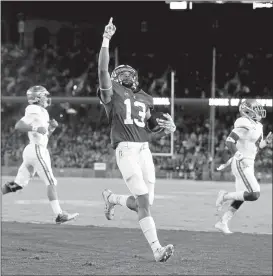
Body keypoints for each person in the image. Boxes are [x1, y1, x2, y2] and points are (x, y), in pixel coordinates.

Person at [98, 18, 176, 262]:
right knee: (143, 201)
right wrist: (106, 39)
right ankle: (157, 249)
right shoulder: (112, 94)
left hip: (144, 151)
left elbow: (151, 126)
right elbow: (102, 71)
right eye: (129, 76)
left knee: (146, 203)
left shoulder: (145, 97)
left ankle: (112, 198)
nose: (133, 78)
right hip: (126, 151)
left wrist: (168, 128)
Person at [1, 85, 79, 224]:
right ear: (37, 97)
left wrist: (52, 128)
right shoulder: (34, 109)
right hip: (37, 150)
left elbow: (43, 135)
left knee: (18, 184)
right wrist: (36, 127)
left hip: (35, 149)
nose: (47, 98)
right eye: (44, 95)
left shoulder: (42, 111)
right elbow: (19, 126)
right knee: (51, 182)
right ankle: (59, 214)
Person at [215, 99, 272, 234]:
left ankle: (223, 222)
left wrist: (266, 143)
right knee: (254, 193)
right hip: (241, 162)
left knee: (241, 197)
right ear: (247, 111)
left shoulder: (257, 126)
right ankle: (224, 196)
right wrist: (239, 157)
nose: (259, 112)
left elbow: (255, 147)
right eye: (256, 109)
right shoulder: (243, 122)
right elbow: (229, 141)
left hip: (249, 162)